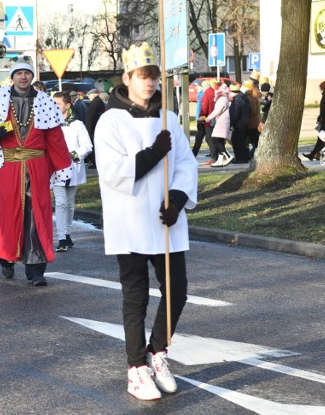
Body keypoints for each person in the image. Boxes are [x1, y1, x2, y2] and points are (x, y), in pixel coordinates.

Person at [94, 42, 198, 401]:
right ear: (127, 78)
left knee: (177, 291)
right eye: (143, 76)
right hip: (132, 219)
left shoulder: (168, 116)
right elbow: (113, 172)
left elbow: (185, 162)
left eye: (154, 76)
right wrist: (155, 152)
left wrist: (180, 198)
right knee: (135, 296)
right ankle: (136, 368)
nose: (150, 83)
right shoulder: (111, 120)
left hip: (167, 221)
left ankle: (158, 352)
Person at [0, 57, 72, 286]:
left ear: (32, 77)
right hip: (7, 168)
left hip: (36, 168)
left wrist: (63, 168)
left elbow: (55, 139)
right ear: (13, 77)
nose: (23, 77)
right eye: (19, 73)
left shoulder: (46, 103)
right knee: (9, 214)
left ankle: (35, 269)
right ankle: (6, 258)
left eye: (27, 73)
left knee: (37, 215)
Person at [52, 91, 93, 251]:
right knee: (61, 203)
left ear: (67, 106)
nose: (55, 107)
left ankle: (67, 234)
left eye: (58, 104)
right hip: (56, 168)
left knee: (69, 203)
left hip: (72, 168)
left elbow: (87, 145)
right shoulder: (51, 124)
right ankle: (61, 237)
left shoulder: (77, 124)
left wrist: (74, 154)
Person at [201, 84, 233, 167]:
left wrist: (208, 118)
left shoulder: (222, 99)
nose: (214, 91)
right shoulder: (222, 98)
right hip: (221, 121)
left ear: (220, 90)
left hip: (222, 122)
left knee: (215, 139)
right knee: (219, 140)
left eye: (215, 89)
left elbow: (217, 111)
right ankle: (220, 160)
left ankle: (228, 155)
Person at [229, 84, 250, 163]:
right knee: (241, 141)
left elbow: (235, 113)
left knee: (237, 141)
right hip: (243, 123)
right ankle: (243, 157)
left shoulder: (238, 99)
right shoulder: (243, 97)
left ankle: (240, 158)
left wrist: (232, 122)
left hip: (239, 124)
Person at [84, 88, 105, 168]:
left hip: (93, 129)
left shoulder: (96, 103)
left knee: (94, 147)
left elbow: (91, 118)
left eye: (89, 95)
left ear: (95, 94)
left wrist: (89, 131)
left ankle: (95, 162)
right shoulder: (97, 102)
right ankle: (94, 162)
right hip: (94, 128)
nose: (88, 96)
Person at [199, 79, 217, 165]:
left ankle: (213, 157)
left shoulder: (206, 94)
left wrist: (200, 118)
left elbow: (204, 108)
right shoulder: (214, 92)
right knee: (215, 138)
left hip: (208, 120)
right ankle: (217, 156)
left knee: (209, 138)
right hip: (216, 119)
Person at [244, 80, 262, 159]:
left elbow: (252, 110)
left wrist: (245, 115)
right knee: (255, 141)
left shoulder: (251, 98)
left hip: (251, 123)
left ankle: (250, 155)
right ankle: (251, 154)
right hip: (255, 122)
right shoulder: (255, 97)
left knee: (250, 141)